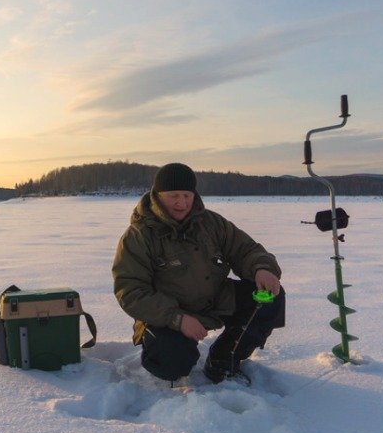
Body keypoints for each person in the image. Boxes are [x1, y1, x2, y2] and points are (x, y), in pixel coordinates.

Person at [112, 162, 286, 384]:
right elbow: (130, 291)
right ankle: (161, 353)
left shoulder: (211, 223)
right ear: (157, 195)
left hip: (214, 301)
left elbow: (245, 249)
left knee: (270, 297)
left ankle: (223, 360)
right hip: (167, 315)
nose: (181, 203)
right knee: (173, 363)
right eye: (173, 195)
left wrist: (262, 269)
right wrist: (177, 319)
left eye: (187, 195)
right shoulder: (138, 236)